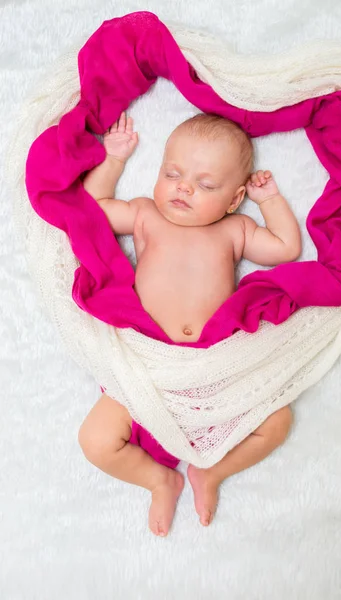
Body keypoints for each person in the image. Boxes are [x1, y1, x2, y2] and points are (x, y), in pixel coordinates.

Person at [78, 111, 300, 537]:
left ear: (234, 200)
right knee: (95, 440)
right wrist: (115, 159)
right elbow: (94, 211)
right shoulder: (145, 214)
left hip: (212, 368)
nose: (183, 187)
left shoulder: (235, 229)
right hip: (147, 365)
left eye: (206, 184)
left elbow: (287, 248)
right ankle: (159, 479)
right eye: (172, 173)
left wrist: (270, 199)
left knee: (277, 422)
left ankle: (211, 471)